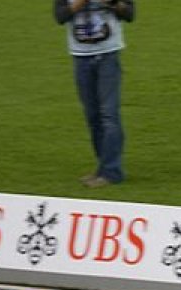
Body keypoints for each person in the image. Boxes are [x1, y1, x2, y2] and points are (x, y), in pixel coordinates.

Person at [54, 0, 134, 188]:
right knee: (93, 116)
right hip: (80, 57)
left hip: (108, 55)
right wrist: (79, 4)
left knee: (109, 115)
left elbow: (129, 13)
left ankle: (112, 171)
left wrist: (114, 4)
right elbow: (60, 16)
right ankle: (103, 168)